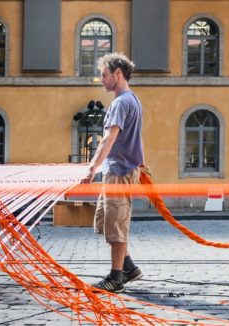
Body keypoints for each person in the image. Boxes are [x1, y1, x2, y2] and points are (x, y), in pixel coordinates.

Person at [82, 53, 145, 293]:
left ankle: (116, 278)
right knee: (108, 222)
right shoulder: (133, 100)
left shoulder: (120, 103)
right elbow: (137, 138)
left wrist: (92, 167)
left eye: (104, 75)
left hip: (119, 172)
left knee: (117, 225)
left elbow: (108, 139)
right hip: (121, 170)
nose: (102, 80)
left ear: (117, 74)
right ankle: (128, 267)